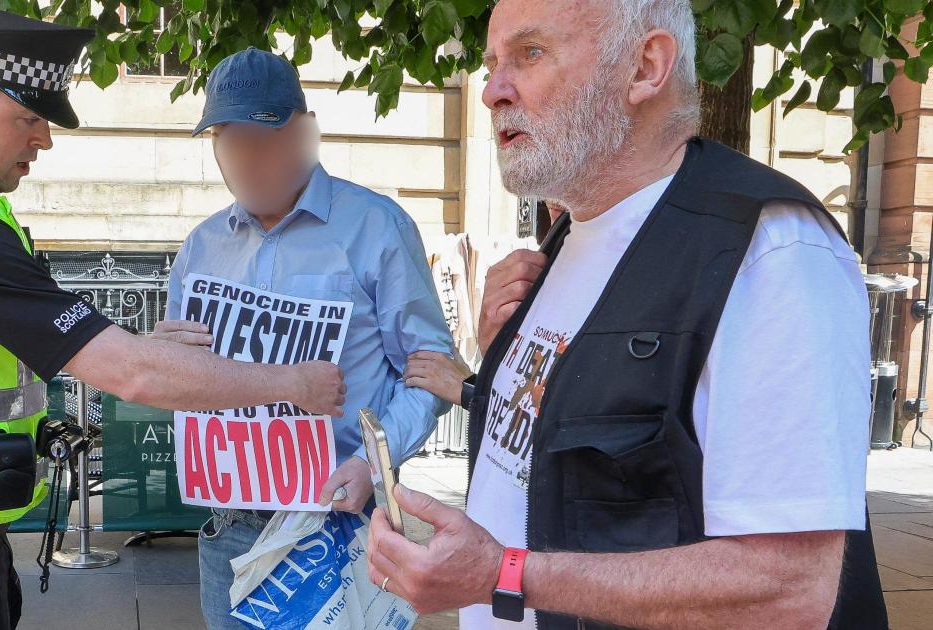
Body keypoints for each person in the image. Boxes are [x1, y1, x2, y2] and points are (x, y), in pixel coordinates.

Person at [0, 7, 344, 629]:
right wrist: (292, 386)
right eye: (29, 118)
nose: (44, 139)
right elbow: (132, 377)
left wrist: (132, 344)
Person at [367, 1, 887, 628]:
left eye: (530, 53)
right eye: (492, 62)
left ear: (646, 66)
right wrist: (496, 372)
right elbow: (579, 456)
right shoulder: (570, 234)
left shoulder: (771, 253)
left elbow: (789, 588)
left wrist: (504, 575)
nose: (493, 91)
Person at [152, 47, 454, 629]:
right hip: (232, 528)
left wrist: (372, 463)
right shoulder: (202, 246)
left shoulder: (378, 228)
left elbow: (431, 370)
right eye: (230, 142)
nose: (246, 160)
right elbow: (185, 381)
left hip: (342, 522)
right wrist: (164, 357)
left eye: (261, 141)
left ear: (300, 134)